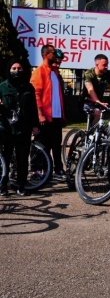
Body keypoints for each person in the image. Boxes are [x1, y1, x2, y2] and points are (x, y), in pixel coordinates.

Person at [0, 59, 40, 196]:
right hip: (7, 129)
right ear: (9, 70)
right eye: (14, 68)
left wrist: (35, 125)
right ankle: (3, 185)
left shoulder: (29, 87)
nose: (16, 71)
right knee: (5, 157)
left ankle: (21, 185)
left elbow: (33, 108)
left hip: (24, 127)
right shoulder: (2, 87)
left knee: (23, 159)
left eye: (19, 68)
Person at [30, 45, 66, 182]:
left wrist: (62, 114)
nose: (55, 55)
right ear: (46, 55)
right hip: (44, 116)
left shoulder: (55, 72)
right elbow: (36, 94)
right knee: (41, 144)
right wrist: (40, 114)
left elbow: (58, 95)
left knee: (56, 144)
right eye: (53, 53)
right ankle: (36, 171)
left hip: (56, 116)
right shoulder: (39, 71)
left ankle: (57, 170)